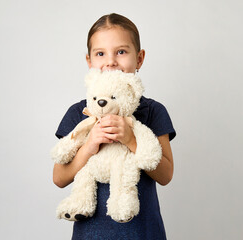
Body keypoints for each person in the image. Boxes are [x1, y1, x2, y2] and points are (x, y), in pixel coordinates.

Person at [53, 13, 176, 240]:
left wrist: (131, 139)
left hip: (142, 233)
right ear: (89, 62)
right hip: (90, 234)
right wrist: (90, 144)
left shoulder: (153, 111)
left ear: (139, 59)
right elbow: (59, 178)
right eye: (100, 54)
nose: (110, 61)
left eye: (121, 52)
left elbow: (166, 174)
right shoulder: (80, 112)